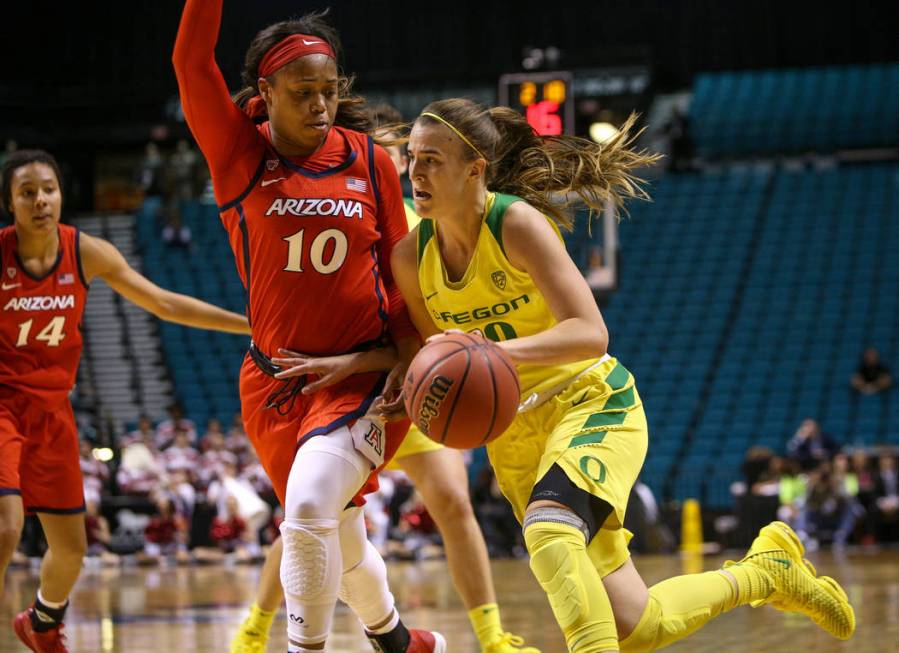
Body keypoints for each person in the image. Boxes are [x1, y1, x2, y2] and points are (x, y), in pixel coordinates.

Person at [387, 98, 855, 652]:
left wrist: (490, 353)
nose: (414, 173)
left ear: (475, 168)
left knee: (549, 531)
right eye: (412, 159)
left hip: (587, 401)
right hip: (512, 439)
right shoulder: (408, 259)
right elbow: (427, 356)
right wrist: (409, 387)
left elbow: (589, 331)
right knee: (637, 625)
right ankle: (766, 573)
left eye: (431, 159)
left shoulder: (514, 223)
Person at [173, 2, 443, 652]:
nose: (320, 104)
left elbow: (396, 270)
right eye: (302, 92)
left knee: (308, 509)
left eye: (330, 90)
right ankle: (397, 640)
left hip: (361, 377)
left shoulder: (369, 161)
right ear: (264, 95)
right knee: (338, 533)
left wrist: (411, 356)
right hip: (274, 385)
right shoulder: (240, 155)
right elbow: (189, 61)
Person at [230, 104, 538, 653]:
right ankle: (264, 627)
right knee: (316, 511)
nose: (407, 162)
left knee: (448, 499)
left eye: (417, 152)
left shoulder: (435, 214)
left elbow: (427, 324)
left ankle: (491, 635)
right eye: (401, 150)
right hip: (355, 377)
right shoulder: (348, 200)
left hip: (419, 373)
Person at [0, 148, 251, 652]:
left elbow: (162, 302)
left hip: (52, 412)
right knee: (5, 525)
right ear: (10, 202)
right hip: (3, 405)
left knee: (72, 552)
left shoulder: (84, 252)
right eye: (27, 192)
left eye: (48, 189)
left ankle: (43, 622)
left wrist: (248, 324)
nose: (40, 200)